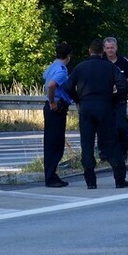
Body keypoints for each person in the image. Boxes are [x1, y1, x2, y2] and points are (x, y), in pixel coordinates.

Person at [63, 39, 128, 189]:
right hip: (105, 106)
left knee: (87, 143)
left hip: (86, 107)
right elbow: (123, 85)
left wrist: (78, 99)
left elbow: (67, 87)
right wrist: (115, 99)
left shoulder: (80, 67)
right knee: (111, 142)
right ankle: (119, 179)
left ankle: (90, 181)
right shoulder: (109, 67)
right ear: (103, 51)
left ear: (89, 51)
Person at [42, 42, 72, 188]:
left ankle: (51, 174)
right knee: (56, 143)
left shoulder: (51, 67)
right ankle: (51, 176)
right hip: (57, 107)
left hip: (50, 107)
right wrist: (53, 101)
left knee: (50, 142)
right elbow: (52, 85)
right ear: (68, 56)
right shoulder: (61, 70)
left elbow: (46, 79)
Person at [103, 36, 128, 160]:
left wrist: (120, 84)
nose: (110, 50)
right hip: (105, 101)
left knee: (121, 127)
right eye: (107, 48)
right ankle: (106, 153)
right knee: (105, 128)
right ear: (104, 49)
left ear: (116, 48)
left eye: (112, 48)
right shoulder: (101, 62)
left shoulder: (124, 62)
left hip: (120, 100)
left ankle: (124, 150)